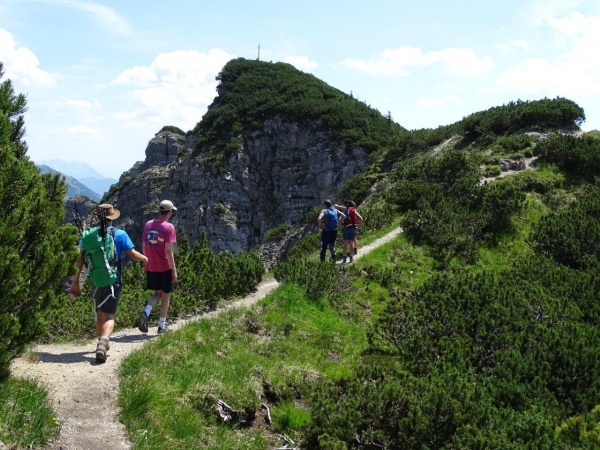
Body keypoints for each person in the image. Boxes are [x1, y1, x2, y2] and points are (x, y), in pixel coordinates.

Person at [70, 203, 148, 363]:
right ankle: (103, 341)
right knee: (110, 315)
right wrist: (145, 258)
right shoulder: (119, 234)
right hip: (113, 279)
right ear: (112, 217)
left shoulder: (88, 237)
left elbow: (80, 262)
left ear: (98, 217)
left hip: (95, 279)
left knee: (100, 313)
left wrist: (75, 282)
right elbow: (133, 255)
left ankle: (101, 341)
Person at [138, 199, 178, 334]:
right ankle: (161, 326)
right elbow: (168, 249)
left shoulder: (149, 224)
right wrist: (174, 269)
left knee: (157, 293)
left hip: (151, 264)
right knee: (166, 295)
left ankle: (146, 312)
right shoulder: (169, 227)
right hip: (164, 266)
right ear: (170, 212)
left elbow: (144, 245)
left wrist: (146, 262)